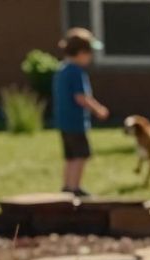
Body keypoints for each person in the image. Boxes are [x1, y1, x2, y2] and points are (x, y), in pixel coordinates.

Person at [53, 28, 109, 197]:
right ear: (81, 52)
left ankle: (67, 185)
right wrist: (98, 109)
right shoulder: (76, 72)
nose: (91, 58)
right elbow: (81, 97)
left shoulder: (62, 69)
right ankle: (75, 188)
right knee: (80, 155)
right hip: (76, 122)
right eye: (90, 53)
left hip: (63, 121)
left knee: (70, 156)